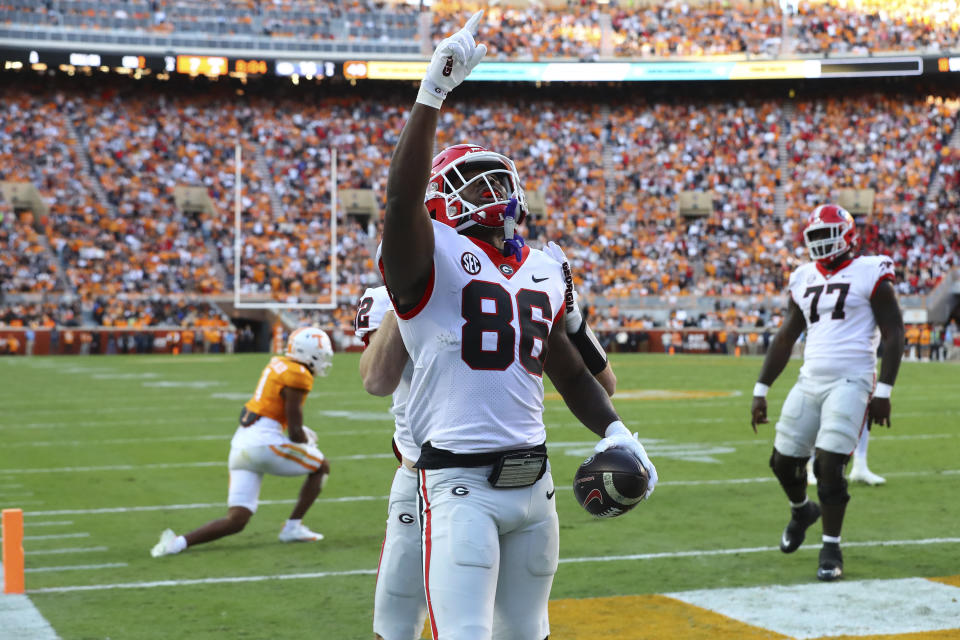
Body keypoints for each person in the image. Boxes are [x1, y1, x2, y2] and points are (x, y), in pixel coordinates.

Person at [378, 12, 656, 639]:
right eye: (473, 181)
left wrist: (620, 430)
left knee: (529, 633)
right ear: (441, 201)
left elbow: (571, 369)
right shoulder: (429, 257)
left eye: (497, 177)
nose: (495, 188)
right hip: (457, 485)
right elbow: (398, 202)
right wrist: (431, 97)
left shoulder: (542, 267)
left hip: (536, 484)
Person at [357, 243, 616, 640]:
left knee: (519, 626)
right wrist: (405, 296)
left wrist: (573, 316)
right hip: (422, 478)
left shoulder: (511, 278)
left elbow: (602, 385)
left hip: (508, 477)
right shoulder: (399, 285)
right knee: (396, 622)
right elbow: (376, 380)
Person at [751, 204, 904, 582]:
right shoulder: (802, 277)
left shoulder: (871, 271)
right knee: (783, 462)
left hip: (852, 379)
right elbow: (787, 335)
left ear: (848, 235)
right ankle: (802, 510)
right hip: (810, 379)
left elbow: (894, 332)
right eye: (815, 236)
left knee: (829, 465)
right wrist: (760, 388)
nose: (820, 243)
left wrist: (884, 389)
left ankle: (831, 546)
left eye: (826, 234)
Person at [150, 327, 334, 557]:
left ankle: (176, 544)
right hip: (263, 445)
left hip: (241, 444)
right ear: (310, 353)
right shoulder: (298, 375)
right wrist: (306, 439)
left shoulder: (278, 363)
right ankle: (293, 527)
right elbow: (295, 433)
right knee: (321, 466)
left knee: (237, 519)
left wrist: (298, 433)